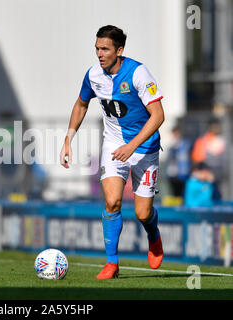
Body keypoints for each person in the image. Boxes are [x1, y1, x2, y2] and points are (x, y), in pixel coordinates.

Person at [60, 25, 165, 279]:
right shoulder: (93, 75)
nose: (99, 53)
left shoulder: (138, 73)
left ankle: (153, 233)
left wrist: (132, 146)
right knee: (112, 201)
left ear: (119, 50)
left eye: (105, 49)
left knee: (142, 212)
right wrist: (68, 139)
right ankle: (111, 263)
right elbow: (81, 103)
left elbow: (158, 115)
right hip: (113, 145)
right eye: (97, 48)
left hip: (144, 148)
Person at [191, 118, 227, 200]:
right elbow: (197, 158)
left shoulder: (220, 140)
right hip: (207, 172)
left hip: (218, 172)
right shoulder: (204, 140)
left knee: (216, 194)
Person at [165, 125, 192, 197]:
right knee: (174, 194)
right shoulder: (171, 145)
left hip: (183, 173)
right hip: (173, 174)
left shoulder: (186, 144)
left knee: (183, 193)